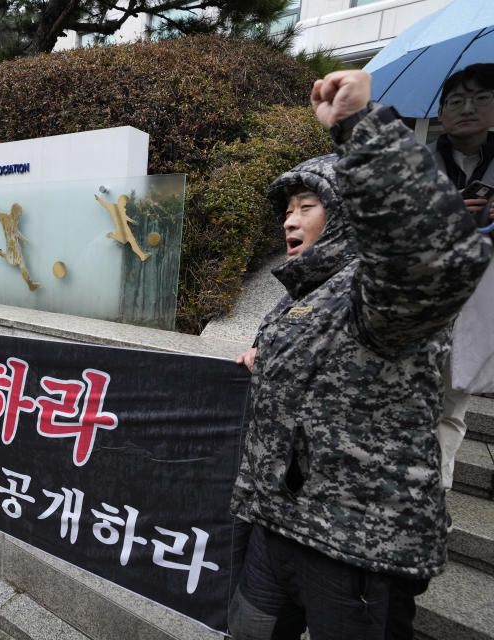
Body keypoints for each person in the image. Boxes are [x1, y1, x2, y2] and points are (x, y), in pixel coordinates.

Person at [228, 70, 491, 639]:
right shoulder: (304, 293)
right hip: (275, 530)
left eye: (306, 205)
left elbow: (432, 258)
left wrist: (361, 128)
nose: (289, 219)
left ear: (350, 213)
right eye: (287, 208)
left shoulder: (381, 293)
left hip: (354, 552)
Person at [428, 63, 494, 504]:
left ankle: (433, 496)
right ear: (441, 111)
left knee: (451, 405)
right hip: (422, 302)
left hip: (480, 306)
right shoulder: (413, 167)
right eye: (456, 100)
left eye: (481, 98)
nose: (467, 108)